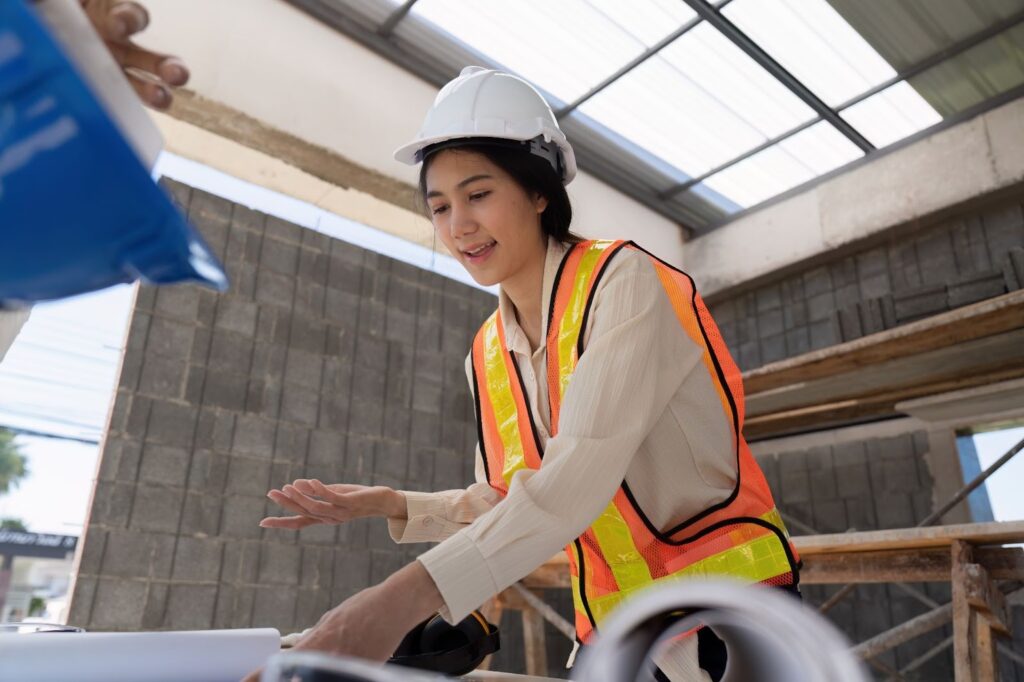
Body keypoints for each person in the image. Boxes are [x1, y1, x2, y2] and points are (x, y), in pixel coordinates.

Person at [259, 67, 801, 680]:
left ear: (539, 192)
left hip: (726, 616)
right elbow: (512, 496)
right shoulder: (489, 350)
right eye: (440, 207)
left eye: (479, 195)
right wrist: (397, 503)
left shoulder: (622, 282)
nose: (457, 224)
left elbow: (573, 479)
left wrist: (398, 600)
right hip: (617, 625)